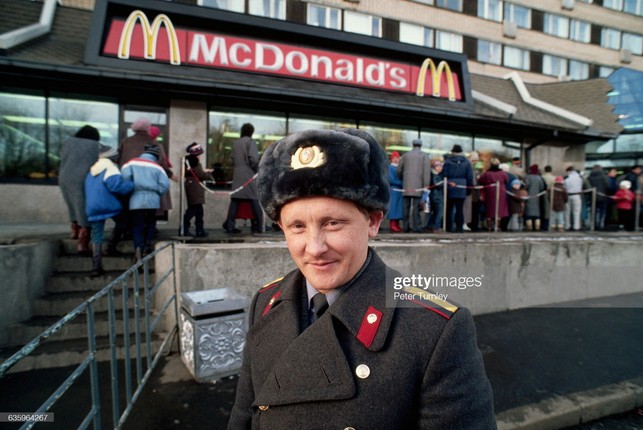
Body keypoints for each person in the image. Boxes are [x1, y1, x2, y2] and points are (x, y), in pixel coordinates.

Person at [228, 128, 495, 429]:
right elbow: (244, 417)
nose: (315, 248)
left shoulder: (435, 332)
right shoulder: (266, 302)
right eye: (297, 227)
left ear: (373, 221)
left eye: (332, 223)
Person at [84, 145, 134, 277]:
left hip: (92, 206)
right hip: (107, 204)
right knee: (123, 223)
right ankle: (111, 247)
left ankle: (96, 266)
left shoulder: (92, 170)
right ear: (113, 157)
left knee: (97, 235)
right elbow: (117, 187)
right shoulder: (110, 168)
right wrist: (131, 184)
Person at [121, 145, 170, 261]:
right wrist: (157, 192)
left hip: (135, 199)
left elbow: (124, 179)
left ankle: (138, 249)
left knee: (137, 225)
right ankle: (147, 247)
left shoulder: (130, 163)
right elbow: (165, 185)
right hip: (153, 200)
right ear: (155, 156)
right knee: (150, 224)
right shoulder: (158, 168)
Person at [58, 125, 102, 256]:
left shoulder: (68, 142)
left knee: (72, 204)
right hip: (82, 178)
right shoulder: (94, 145)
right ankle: (82, 242)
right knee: (83, 207)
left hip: (64, 176)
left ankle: (74, 231)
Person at [223, 123, 263, 234]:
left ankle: (229, 225)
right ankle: (259, 226)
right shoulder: (250, 142)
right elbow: (253, 159)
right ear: (251, 132)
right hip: (248, 175)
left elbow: (232, 158)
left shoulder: (235, 143)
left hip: (237, 175)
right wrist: (258, 170)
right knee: (254, 200)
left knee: (235, 200)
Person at [396, 139, 430, 233]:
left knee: (405, 207)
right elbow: (426, 172)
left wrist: (403, 179)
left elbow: (398, 170)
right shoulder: (424, 156)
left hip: (406, 185)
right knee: (416, 207)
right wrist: (426, 185)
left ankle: (405, 227)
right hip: (418, 186)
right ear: (420, 145)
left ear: (413, 144)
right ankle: (416, 227)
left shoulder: (405, 155)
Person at [183, 142, 213, 237]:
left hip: (192, 186)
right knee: (193, 209)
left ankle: (199, 230)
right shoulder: (194, 162)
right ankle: (185, 228)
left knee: (198, 210)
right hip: (195, 187)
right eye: (199, 154)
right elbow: (201, 175)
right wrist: (209, 174)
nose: (200, 156)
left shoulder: (189, 162)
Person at [442, 144, 473, 233]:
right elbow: (470, 176)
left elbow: (444, 175)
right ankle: (459, 228)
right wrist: (469, 188)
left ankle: (448, 227)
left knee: (449, 208)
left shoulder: (448, 161)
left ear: (453, 151)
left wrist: (447, 184)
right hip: (462, 186)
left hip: (450, 186)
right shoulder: (467, 162)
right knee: (460, 209)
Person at [478, 158, 509, 232]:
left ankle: (489, 226)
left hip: (489, 191)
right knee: (500, 209)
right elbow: (507, 180)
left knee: (489, 209)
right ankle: (497, 226)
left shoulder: (487, 173)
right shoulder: (502, 173)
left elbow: (480, 180)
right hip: (501, 191)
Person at [587, 165, 610, 230]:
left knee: (593, 212)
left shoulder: (590, 177)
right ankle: (600, 224)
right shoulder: (604, 176)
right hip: (602, 196)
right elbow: (607, 186)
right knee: (602, 212)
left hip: (592, 196)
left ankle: (593, 225)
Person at [524, 164, 545, 231]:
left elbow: (526, 185)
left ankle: (529, 226)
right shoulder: (539, 178)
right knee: (537, 212)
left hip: (529, 196)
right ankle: (537, 226)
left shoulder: (528, 177)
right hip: (537, 197)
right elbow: (542, 187)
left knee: (529, 211)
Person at [426, 159, 444, 232]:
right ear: (434, 167)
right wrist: (445, 183)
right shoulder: (435, 175)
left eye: (441, 166)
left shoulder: (433, 175)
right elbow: (437, 184)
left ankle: (430, 225)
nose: (440, 168)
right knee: (439, 211)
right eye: (438, 166)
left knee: (435, 212)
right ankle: (436, 226)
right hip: (437, 196)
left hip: (433, 195)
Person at [386, 151, 403, 232]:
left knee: (398, 208)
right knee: (393, 207)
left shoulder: (399, 167)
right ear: (392, 159)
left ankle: (396, 224)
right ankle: (392, 224)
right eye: (394, 158)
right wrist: (402, 183)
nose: (396, 160)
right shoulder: (390, 168)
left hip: (399, 191)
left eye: (397, 158)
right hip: (394, 190)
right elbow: (391, 179)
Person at [564, 165, 584, 231]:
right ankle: (576, 226)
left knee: (567, 211)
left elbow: (565, 187)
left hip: (568, 195)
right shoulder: (579, 178)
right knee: (577, 211)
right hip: (577, 195)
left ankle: (567, 225)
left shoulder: (566, 178)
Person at [541, 165, 556, 231]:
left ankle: (543, 225)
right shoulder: (554, 178)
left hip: (542, 194)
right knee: (549, 210)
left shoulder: (542, 177)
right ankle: (548, 224)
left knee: (543, 209)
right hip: (551, 194)